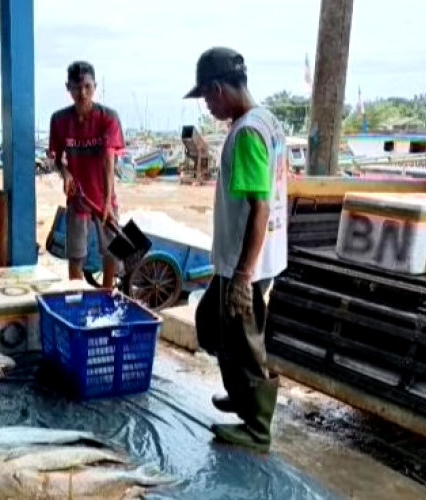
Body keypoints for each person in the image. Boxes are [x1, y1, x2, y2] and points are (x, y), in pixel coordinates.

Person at [185, 47, 288, 452]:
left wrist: (243, 276)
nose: (208, 107)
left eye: (207, 98)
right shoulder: (267, 121)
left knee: (243, 341)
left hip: (245, 261)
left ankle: (257, 428)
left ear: (218, 89)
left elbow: (260, 206)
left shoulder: (246, 132)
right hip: (254, 256)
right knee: (212, 322)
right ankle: (244, 395)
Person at [48, 61, 125, 288]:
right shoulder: (59, 120)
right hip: (78, 198)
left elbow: (108, 160)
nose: (82, 93)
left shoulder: (108, 117)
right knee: (76, 254)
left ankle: (108, 291)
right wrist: (66, 174)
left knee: (113, 250)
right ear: (68, 88)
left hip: (103, 198)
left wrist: (108, 201)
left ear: (95, 86)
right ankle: (77, 293)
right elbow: (56, 158)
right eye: (76, 87)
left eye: (87, 87)